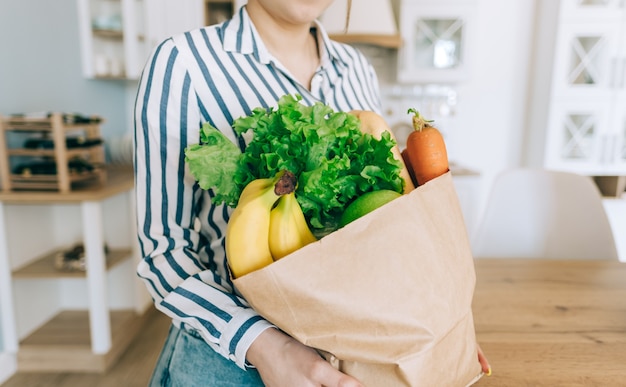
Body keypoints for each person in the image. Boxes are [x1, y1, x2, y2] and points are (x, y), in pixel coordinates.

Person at [133, 0, 491, 385]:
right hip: (231, 359)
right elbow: (163, 253)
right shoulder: (184, 63)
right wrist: (269, 347)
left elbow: (388, 227)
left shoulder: (356, 69)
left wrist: (436, 324)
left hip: (358, 354)